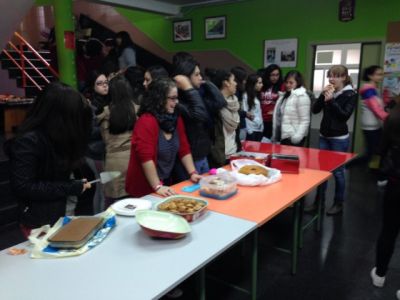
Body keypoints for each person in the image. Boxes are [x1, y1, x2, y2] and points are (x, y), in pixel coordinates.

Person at [5, 82, 93, 234]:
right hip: (42, 223)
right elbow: (23, 186)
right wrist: (70, 187)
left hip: (67, 215)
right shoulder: (29, 141)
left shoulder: (59, 137)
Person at [125, 78, 201, 198]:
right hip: (144, 188)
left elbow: (184, 148)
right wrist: (157, 186)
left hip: (164, 182)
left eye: (177, 98)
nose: (176, 102)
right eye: (172, 98)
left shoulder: (175, 119)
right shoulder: (146, 121)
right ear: (159, 99)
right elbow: (146, 158)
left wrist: (192, 173)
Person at [310, 65, 357, 215]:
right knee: (321, 172)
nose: (331, 79)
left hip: (339, 139)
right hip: (324, 136)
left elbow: (344, 116)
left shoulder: (350, 94)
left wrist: (331, 102)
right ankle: (319, 202)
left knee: (337, 172)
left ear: (343, 77)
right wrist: (322, 96)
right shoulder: (329, 91)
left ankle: (338, 203)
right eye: (330, 75)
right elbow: (315, 110)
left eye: (336, 76)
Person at [370, 99, 400, 289]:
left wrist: (378, 173)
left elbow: (380, 150)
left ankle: (380, 274)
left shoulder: (394, 118)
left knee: (389, 230)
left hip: (396, 185)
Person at [97, 75, 136, 206]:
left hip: (113, 164)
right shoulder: (137, 110)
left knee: (117, 205)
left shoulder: (106, 112)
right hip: (133, 161)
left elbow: (105, 139)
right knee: (138, 203)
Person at [348, 66, 389, 175]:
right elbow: (375, 108)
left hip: (376, 125)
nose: (381, 77)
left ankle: (377, 171)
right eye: (378, 74)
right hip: (370, 126)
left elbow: (381, 106)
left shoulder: (375, 88)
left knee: (379, 150)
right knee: (370, 153)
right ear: (370, 76)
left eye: (382, 74)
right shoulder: (367, 89)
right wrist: (389, 119)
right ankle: (346, 166)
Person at [271, 70, 311, 146]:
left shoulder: (302, 96)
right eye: (286, 82)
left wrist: (297, 137)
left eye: (291, 83)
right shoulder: (285, 96)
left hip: (293, 137)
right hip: (284, 136)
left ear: (298, 83)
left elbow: (305, 120)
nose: (288, 85)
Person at [210, 69, 241, 165]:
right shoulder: (214, 105)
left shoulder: (235, 103)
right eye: (233, 80)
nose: (236, 83)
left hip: (234, 152)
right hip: (220, 156)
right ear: (226, 83)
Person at [260, 64, 284, 139]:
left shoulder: (282, 86)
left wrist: (276, 112)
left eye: (277, 75)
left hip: (274, 120)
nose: (275, 77)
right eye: (272, 75)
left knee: (272, 144)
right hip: (260, 119)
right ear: (268, 75)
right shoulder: (261, 85)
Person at [242, 73, 264, 141]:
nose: (262, 85)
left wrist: (261, 126)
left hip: (259, 129)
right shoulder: (245, 96)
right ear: (253, 83)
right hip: (251, 130)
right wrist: (249, 130)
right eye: (259, 83)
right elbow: (245, 113)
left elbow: (258, 113)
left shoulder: (256, 95)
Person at [231, 66, 249, 140]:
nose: (245, 81)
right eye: (243, 79)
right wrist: (245, 114)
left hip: (241, 125)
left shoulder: (239, 92)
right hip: (237, 126)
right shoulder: (235, 93)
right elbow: (234, 111)